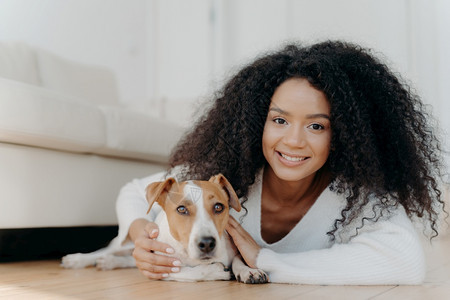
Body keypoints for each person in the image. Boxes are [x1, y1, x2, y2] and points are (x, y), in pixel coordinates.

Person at [116, 40, 446, 285]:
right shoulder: (227, 179)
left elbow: (405, 263)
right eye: (279, 120)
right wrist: (146, 236)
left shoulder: (357, 197)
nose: (293, 141)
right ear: (256, 120)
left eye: (317, 126)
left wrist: (265, 260)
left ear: (345, 134)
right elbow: (134, 191)